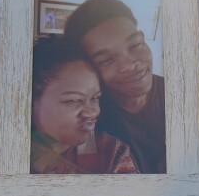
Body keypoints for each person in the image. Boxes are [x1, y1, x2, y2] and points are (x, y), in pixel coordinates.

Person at [63, 0, 166, 174]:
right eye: (107, 60)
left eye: (135, 45)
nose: (129, 65)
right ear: (88, 69)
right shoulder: (89, 121)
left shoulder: (177, 93)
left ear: (142, 37)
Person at [30, 36, 138, 174]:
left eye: (95, 98)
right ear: (32, 100)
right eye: (74, 100)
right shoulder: (4, 149)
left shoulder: (111, 153)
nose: (92, 113)